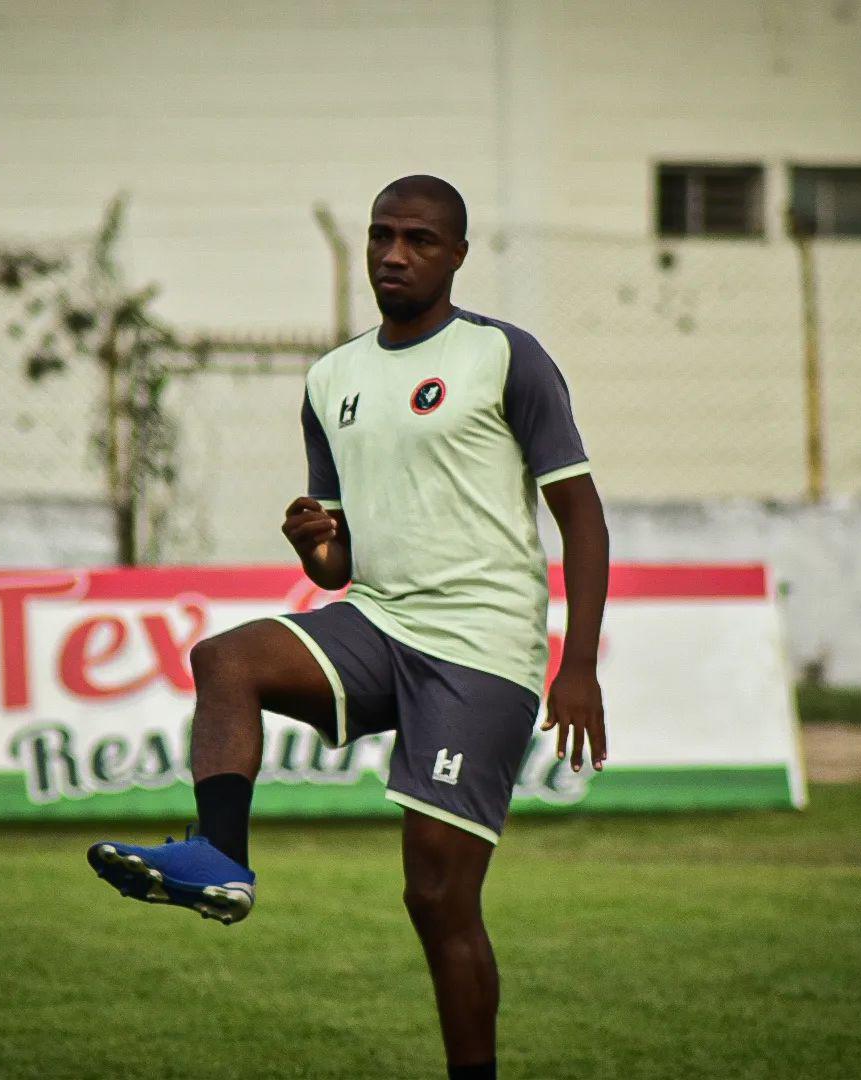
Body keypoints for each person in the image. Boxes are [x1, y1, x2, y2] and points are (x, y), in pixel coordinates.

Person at [88, 174, 609, 1080]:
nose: (393, 254)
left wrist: (579, 668)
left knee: (437, 898)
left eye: (417, 239)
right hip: (379, 618)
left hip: (481, 647)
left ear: (455, 255)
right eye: (380, 236)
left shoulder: (504, 357)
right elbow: (338, 564)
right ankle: (220, 858)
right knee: (227, 660)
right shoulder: (333, 379)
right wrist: (314, 547)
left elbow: (583, 516)